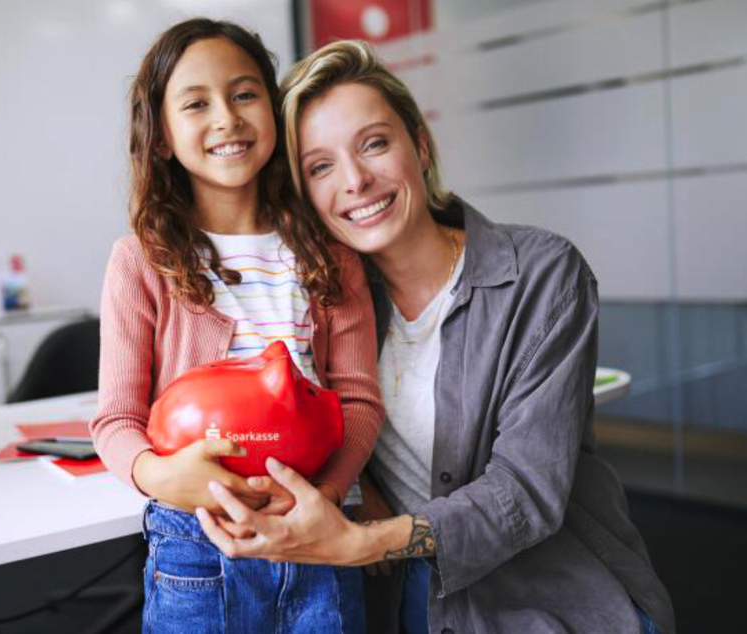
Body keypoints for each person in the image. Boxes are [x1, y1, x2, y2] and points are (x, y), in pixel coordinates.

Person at [196, 40, 676, 634]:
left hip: (554, 596)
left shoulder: (543, 274)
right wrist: (361, 486)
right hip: (418, 598)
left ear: (419, 146)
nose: (356, 181)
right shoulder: (325, 305)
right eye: (320, 166)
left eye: (374, 143)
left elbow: (526, 490)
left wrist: (364, 541)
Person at [89, 22, 383, 634]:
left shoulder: (331, 253)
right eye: (196, 103)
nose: (226, 117)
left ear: (274, 112)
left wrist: (325, 495)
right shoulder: (140, 260)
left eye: (245, 94)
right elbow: (115, 419)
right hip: (196, 541)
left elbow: (356, 398)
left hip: (319, 533)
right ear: (163, 137)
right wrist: (161, 475)